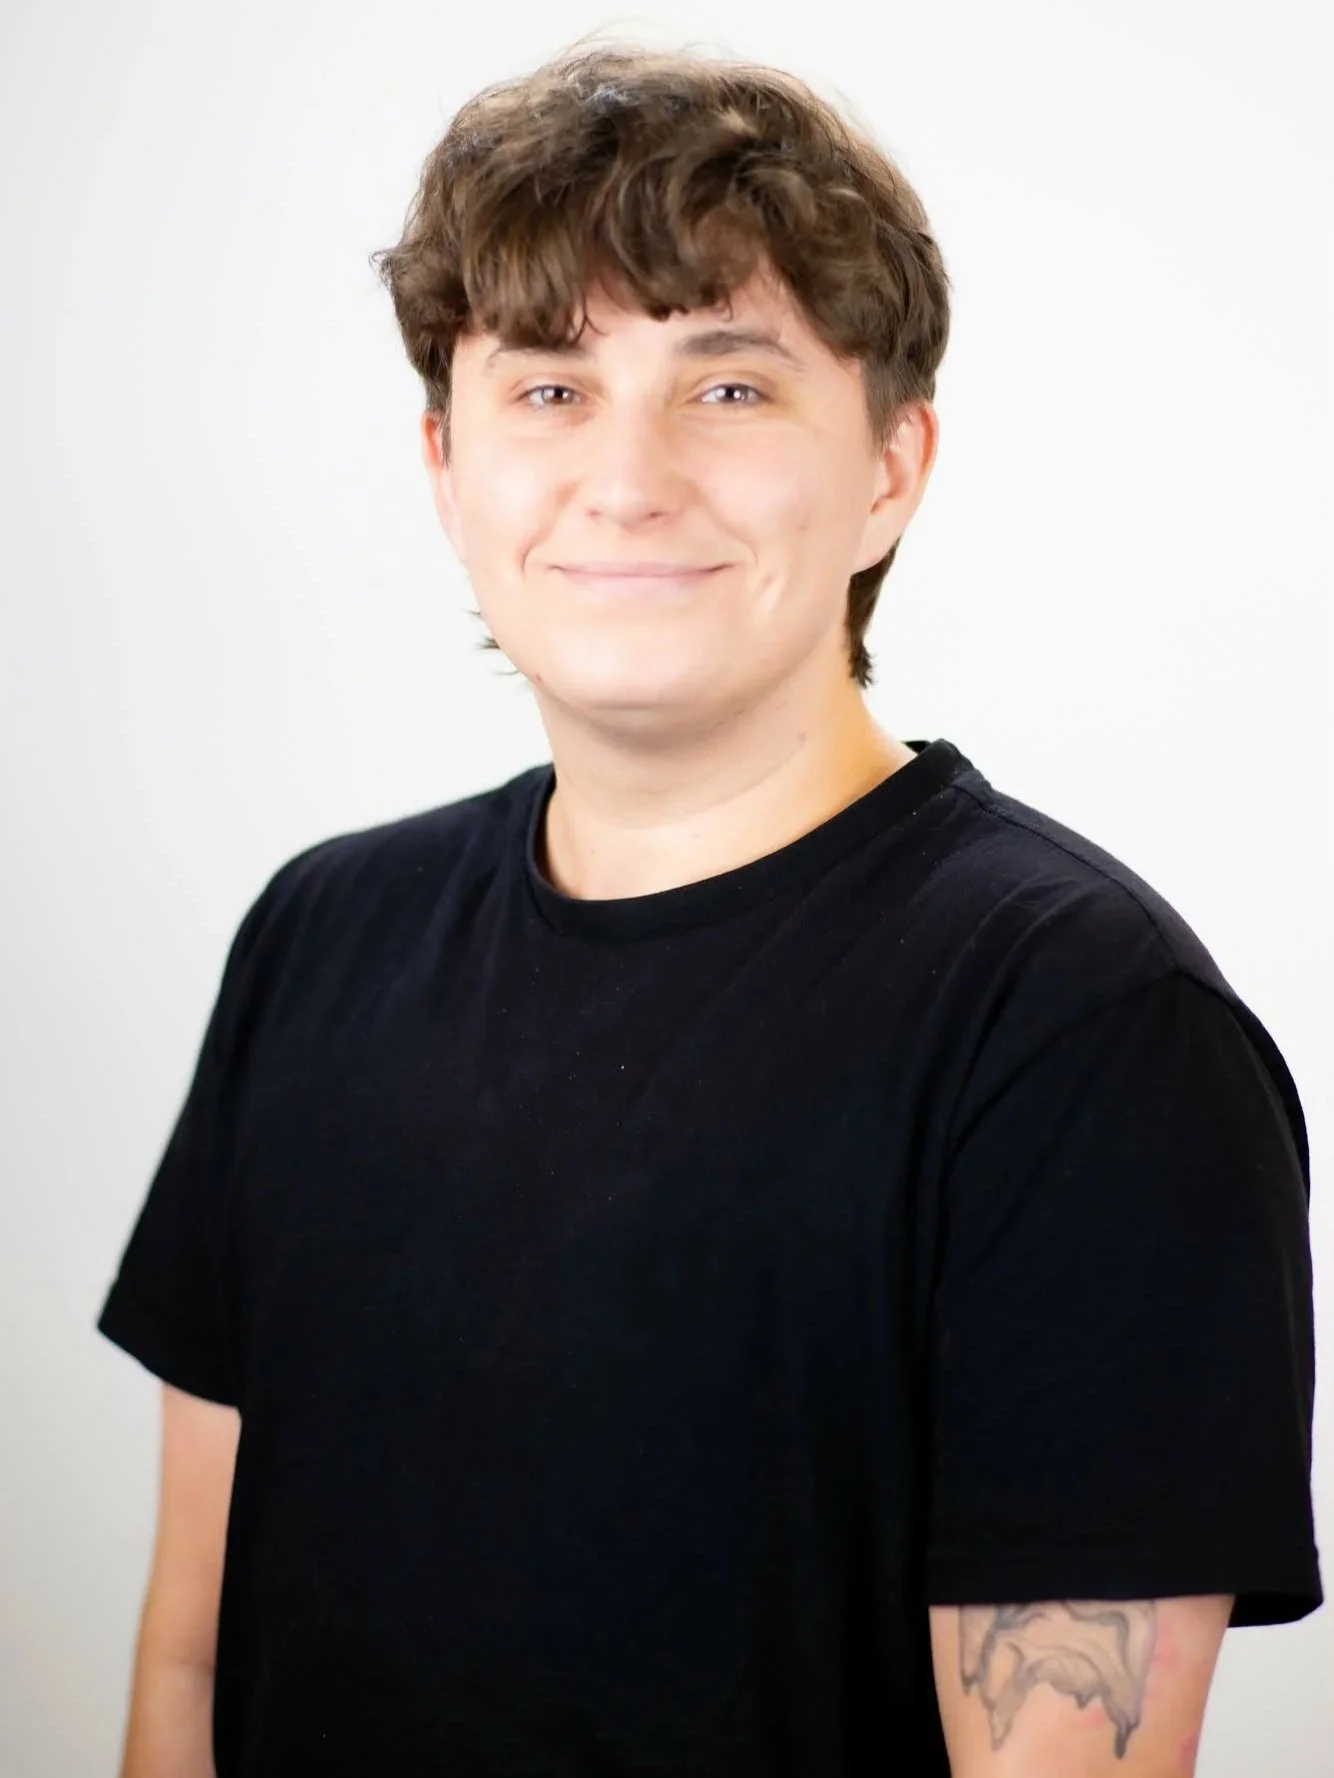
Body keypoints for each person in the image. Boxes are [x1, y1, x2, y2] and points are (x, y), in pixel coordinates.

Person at [96, 37, 1321, 1778]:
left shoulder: (1076, 1035)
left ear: (891, 466)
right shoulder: (320, 939)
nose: (628, 475)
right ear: (446, 466)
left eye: (729, 387)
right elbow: (187, 1675)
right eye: (547, 387)